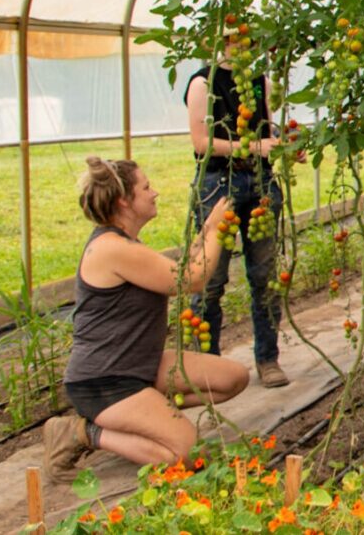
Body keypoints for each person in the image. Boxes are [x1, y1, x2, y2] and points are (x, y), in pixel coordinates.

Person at [43, 157, 249, 483]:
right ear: (124, 200)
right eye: (146, 187)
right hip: (105, 382)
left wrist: (208, 231)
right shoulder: (111, 248)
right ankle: (84, 432)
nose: (155, 193)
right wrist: (217, 231)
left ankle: (147, 420)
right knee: (189, 457)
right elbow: (191, 280)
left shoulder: (125, 243)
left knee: (233, 377)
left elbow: (177, 271)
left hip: (138, 365)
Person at [185, 28, 289, 387]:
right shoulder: (203, 83)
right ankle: (205, 368)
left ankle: (268, 359)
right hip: (218, 186)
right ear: (220, 43)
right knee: (210, 279)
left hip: (259, 184)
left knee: (264, 277)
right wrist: (253, 147)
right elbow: (200, 143)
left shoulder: (259, 82)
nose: (243, 46)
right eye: (234, 40)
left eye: (248, 40)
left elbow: (268, 130)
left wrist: (283, 146)